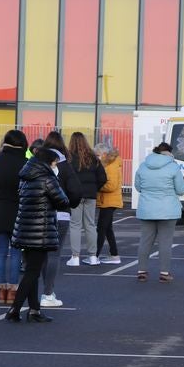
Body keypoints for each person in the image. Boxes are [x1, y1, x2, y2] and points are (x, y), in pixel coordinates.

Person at [7, 148, 69, 323]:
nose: (56, 165)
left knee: (30, 270)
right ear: (48, 162)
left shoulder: (25, 177)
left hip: (24, 229)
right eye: (55, 162)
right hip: (40, 230)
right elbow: (62, 200)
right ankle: (15, 307)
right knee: (33, 272)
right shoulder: (48, 178)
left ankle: (34, 309)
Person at [0, 129, 29, 305]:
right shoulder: (26, 163)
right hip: (19, 210)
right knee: (16, 252)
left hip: (0, 209)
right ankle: (13, 292)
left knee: (1, 252)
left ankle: (1, 293)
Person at [134, 142, 184, 282]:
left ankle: (141, 270)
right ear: (169, 153)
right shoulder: (173, 167)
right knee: (165, 242)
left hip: (147, 209)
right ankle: (164, 273)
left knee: (145, 241)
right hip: (168, 209)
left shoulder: (143, 166)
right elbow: (181, 190)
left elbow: (138, 187)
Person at [40, 131, 82, 306]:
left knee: (40, 255)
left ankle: (43, 291)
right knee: (54, 255)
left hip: (39, 214)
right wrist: (69, 204)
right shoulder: (65, 165)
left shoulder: (36, 163)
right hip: (60, 214)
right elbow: (76, 191)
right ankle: (48, 293)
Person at [67, 132, 107, 266]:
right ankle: (93, 257)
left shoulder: (69, 158)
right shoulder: (93, 158)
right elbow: (103, 178)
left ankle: (75, 257)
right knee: (90, 224)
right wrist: (94, 188)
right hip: (90, 195)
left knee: (75, 225)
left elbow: (65, 177)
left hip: (75, 195)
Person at [94, 142, 124, 265]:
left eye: (98, 155)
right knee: (107, 229)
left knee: (101, 228)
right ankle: (114, 254)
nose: (96, 157)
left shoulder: (111, 166)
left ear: (104, 154)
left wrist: (97, 186)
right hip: (109, 200)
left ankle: (95, 255)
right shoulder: (110, 164)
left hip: (109, 200)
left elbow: (111, 185)